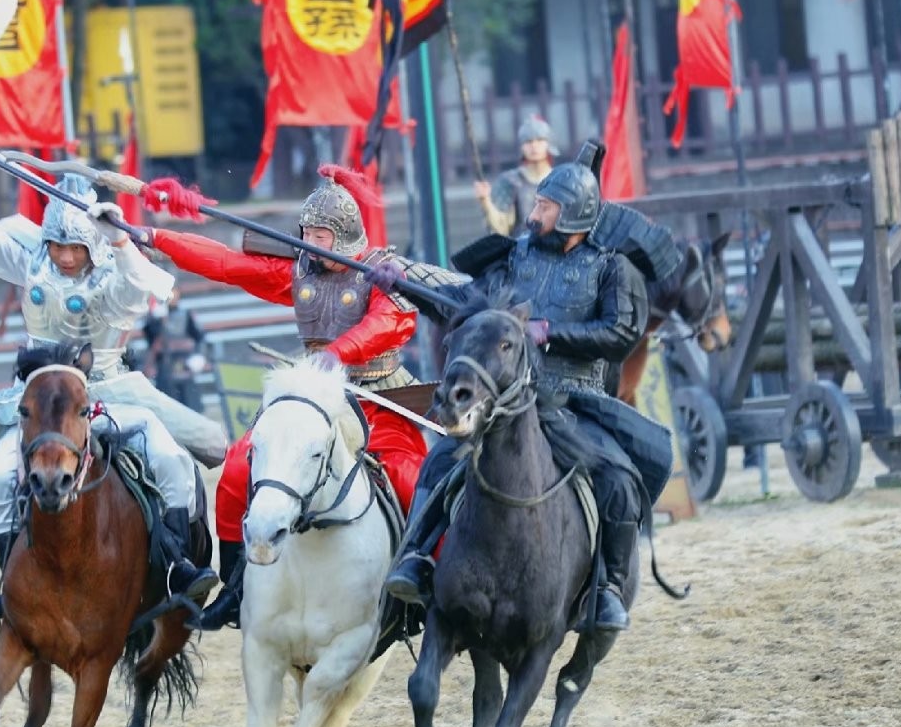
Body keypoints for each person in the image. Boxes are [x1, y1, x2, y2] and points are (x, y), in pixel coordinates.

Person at [140, 166, 463, 630]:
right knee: (236, 470)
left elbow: (391, 323)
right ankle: (236, 585)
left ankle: (428, 584)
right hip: (314, 395)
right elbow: (228, 264)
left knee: (412, 480)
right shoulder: (299, 274)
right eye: (306, 231)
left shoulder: (384, 274)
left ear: (345, 236)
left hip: (378, 398)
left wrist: (338, 352)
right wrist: (155, 238)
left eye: (321, 234)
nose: (310, 240)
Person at [0, 128, 226, 620]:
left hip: (109, 389)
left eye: (76, 248)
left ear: (93, 246)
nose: (65, 256)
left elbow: (138, 290)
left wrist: (122, 240)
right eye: (58, 245)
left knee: (171, 461)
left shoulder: (111, 274)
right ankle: (10, 587)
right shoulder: (33, 264)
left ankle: (176, 566)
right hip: (42, 398)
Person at [383, 142, 674, 632]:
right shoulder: (512, 259)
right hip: (508, 401)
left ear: (573, 215)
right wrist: (401, 283)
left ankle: (606, 591)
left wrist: (550, 331)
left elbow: (620, 332)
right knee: (439, 461)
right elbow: (462, 304)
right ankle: (414, 560)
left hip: (575, 402)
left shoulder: (610, 269)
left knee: (620, 482)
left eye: (545, 206)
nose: (534, 212)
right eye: (537, 202)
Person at [475, 114, 558, 237]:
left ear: (548, 143)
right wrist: (485, 200)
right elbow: (500, 229)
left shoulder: (560, 180)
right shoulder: (510, 181)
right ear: (522, 147)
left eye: (539, 140)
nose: (534, 146)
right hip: (522, 250)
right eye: (528, 141)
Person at [142, 288, 208, 413]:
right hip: (163, 366)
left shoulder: (186, 315)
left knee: (189, 403)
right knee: (167, 406)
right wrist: (156, 320)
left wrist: (199, 357)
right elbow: (150, 338)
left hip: (183, 363)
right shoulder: (156, 317)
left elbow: (200, 338)